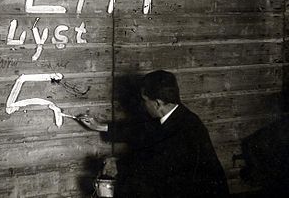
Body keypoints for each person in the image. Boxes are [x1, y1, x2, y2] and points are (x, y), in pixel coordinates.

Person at [79, 70, 229, 197]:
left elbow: (153, 166)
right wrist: (102, 127)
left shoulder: (186, 130)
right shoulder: (173, 115)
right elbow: (140, 131)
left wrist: (118, 165)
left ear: (157, 103)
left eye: (144, 101)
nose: (143, 105)